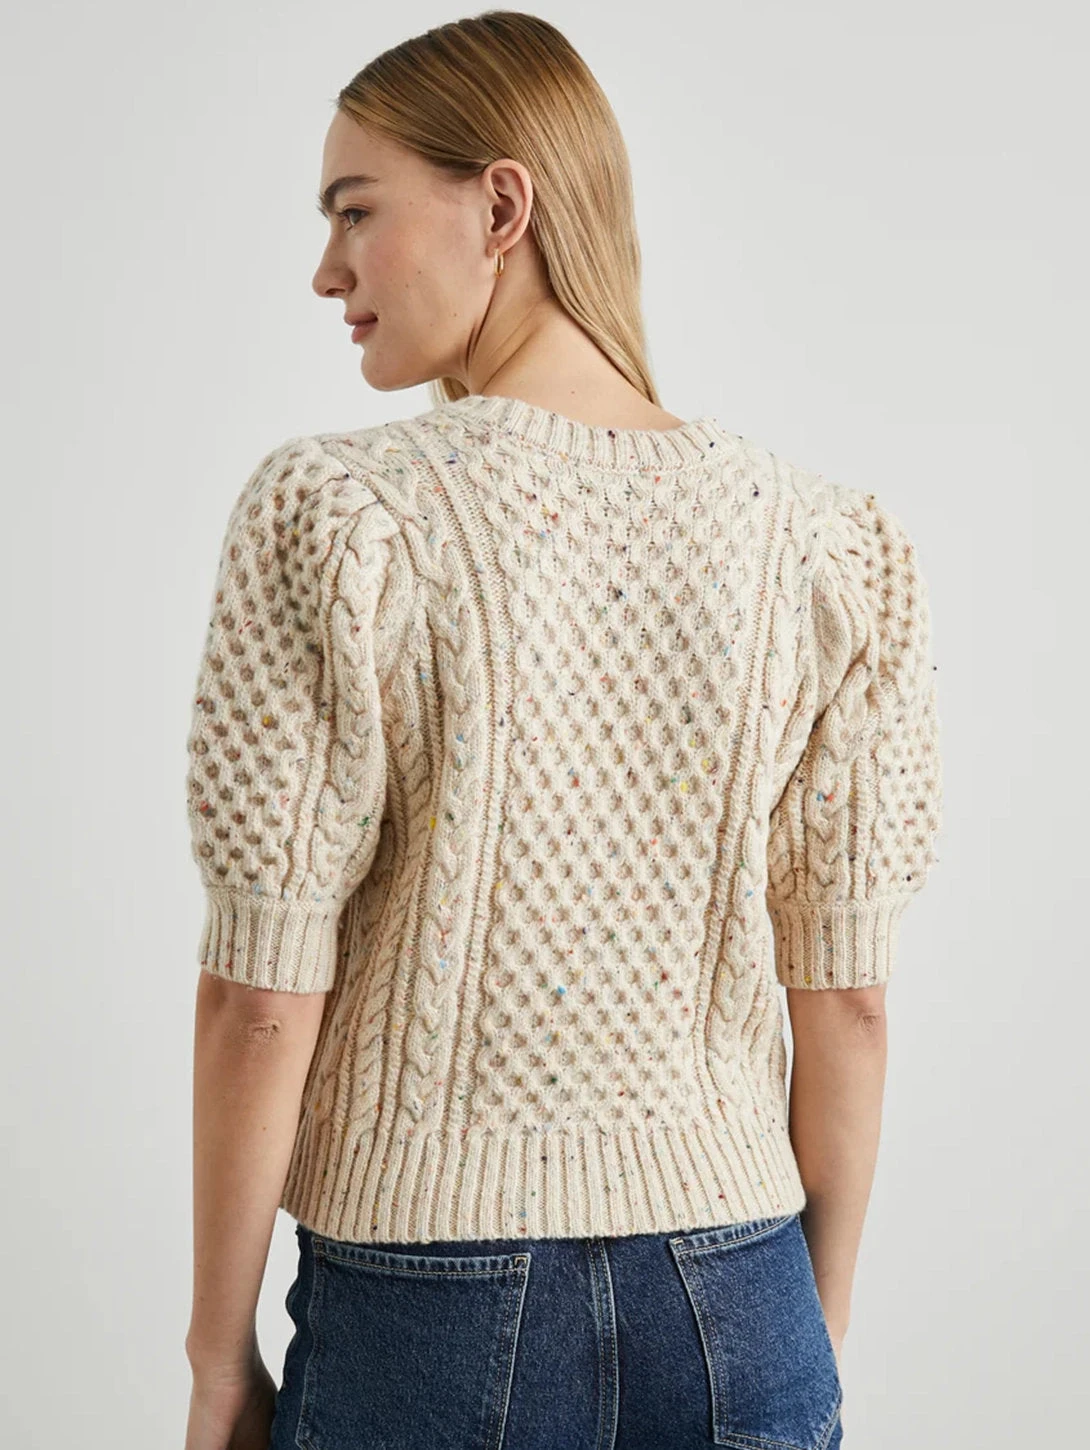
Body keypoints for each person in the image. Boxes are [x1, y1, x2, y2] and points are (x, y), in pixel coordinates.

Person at [181, 12, 943, 1450]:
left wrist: (219, 1357)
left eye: (355, 211)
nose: (327, 270)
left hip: (423, 1303)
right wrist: (809, 1321)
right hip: (741, 1286)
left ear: (502, 206)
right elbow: (848, 998)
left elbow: (262, 999)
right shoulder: (826, 545)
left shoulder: (341, 520)